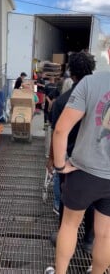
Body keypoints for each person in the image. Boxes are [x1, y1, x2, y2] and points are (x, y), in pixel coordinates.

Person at [46, 65, 110, 273]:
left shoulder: (91, 83)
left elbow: (61, 130)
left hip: (84, 171)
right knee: (105, 234)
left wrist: (59, 165)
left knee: (70, 226)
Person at [47, 52, 95, 253]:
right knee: (93, 201)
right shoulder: (100, 96)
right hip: (95, 159)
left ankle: (63, 236)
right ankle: (88, 241)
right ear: (92, 70)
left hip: (69, 159)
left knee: (68, 200)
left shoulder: (62, 101)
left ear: (71, 73)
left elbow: (56, 131)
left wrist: (53, 160)